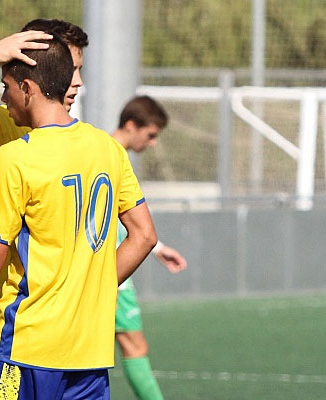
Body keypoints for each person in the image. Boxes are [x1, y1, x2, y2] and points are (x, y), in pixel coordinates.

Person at [0, 33, 157, 399]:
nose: (3, 98)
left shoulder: (16, 156)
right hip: (90, 350)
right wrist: (85, 289)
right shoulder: (108, 148)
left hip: (26, 346)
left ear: (27, 87)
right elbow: (144, 235)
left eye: (5, 87)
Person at [111, 95, 188, 400]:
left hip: (108, 264)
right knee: (133, 345)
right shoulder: (110, 154)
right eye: (151, 135)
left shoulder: (105, 152)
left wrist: (157, 248)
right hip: (112, 268)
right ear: (132, 125)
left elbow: (118, 215)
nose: (153, 143)